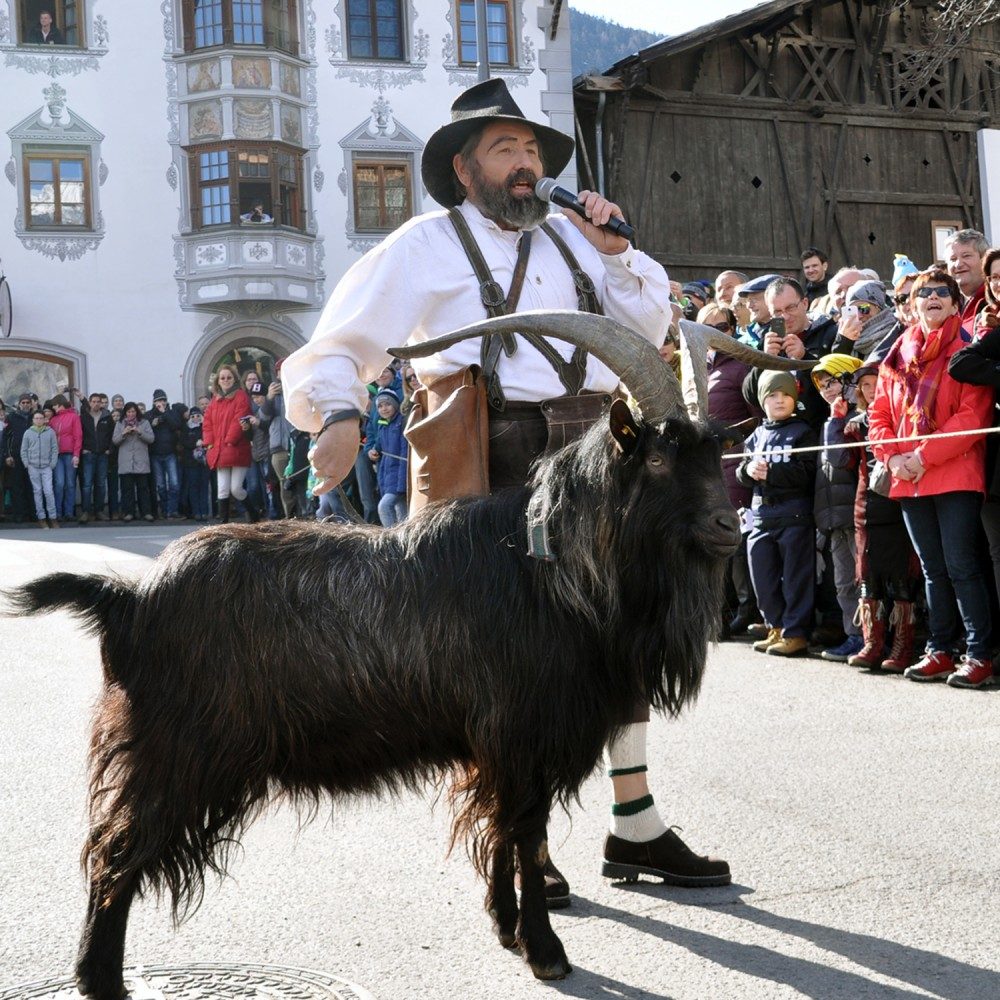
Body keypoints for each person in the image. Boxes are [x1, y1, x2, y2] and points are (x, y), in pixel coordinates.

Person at [280, 78, 729, 904]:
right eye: (504, 150)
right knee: (510, 662)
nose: (525, 165)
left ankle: (635, 825)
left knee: (619, 635)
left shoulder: (575, 239)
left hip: (598, 457)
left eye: (531, 150)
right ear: (464, 168)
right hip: (492, 456)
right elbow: (340, 342)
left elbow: (648, 329)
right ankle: (525, 838)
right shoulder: (424, 245)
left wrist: (617, 252)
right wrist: (337, 414)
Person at [869, 269, 994, 688]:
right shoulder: (896, 356)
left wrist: (921, 456)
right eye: (925, 293)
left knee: (962, 567)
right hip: (908, 477)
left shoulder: (967, 349)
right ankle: (939, 650)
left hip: (955, 474)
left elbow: (973, 416)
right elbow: (878, 415)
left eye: (943, 292)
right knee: (932, 570)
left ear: (957, 304)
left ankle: (978, 654)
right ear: (913, 304)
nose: (933, 297)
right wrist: (892, 459)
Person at [836, 363, 922, 671]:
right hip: (866, 508)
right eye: (866, 385)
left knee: (902, 579)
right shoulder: (854, 425)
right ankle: (872, 644)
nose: (872, 390)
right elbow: (841, 462)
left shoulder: (905, 417)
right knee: (867, 579)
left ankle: (902, 647)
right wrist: (836, 421)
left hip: (899, 505)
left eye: (877, 383)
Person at [681, 303, 760, 637]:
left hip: (734, 464)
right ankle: (718, 615)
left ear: (732, 330)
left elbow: (757, 419)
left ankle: (745, 609)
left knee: (734, 540)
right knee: (707, 541)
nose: (715, 334)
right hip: (704, 469)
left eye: (722, 327)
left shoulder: (742, 367)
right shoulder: (696, 368)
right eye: (707, 327)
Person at [737, 371, 818, 657]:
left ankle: (796, 633)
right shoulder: (756, 435)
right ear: (763, 400)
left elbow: (808, 472)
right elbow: (741, 471)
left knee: (796, 579)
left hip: (794, 515)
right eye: (772, 395)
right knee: (763, 577)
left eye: (785, 394)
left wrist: (771, 472)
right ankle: (776, 626)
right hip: (760, 517)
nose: (780, 400)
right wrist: (748, 471)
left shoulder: (803, 432)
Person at [810, 355, 864, 661]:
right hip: (834, 517)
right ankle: (853, 636)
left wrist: (836, 421)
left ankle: (872, 638)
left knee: (863, 581)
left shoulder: (855, 417)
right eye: (821, 386)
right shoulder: (830, 420)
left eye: (831, 381)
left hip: (858, 515)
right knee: (842, 582)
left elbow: (839, 460)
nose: (827, 390)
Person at [202, 362, 263, 523]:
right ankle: (223, 523)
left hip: (236, 448)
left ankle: (253, 514)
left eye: (229, 377)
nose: (226, 380)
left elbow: (239, 419)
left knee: (236, 489)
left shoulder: (241, 396)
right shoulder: (215, 400)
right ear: (218, 380)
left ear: (234, 379)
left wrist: (230, 441)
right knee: (222, 489)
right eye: (222, 378)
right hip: (219, 449)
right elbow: (207, 423)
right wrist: (209, 442)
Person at [368, 388, 408, 527]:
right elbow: (378, 446)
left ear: (395, 405)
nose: (384, 409)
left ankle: (390, 537)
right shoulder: (383, 425)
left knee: (384, 507)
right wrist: (373, 451)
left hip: (398, 477)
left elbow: (405, 454)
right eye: (380, 406)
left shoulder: (402, 423)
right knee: (402, 514)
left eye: (387, 404)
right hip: (387, 476)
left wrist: (402, 484)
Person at [829, 280, 897, 361]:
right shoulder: (845, 335)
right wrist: (843, 341)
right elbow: (838, 365)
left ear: (878, 307)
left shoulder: (895, 331)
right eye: (853, 310)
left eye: (863, 308)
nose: (859, 315)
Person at [112, 402, 155, 522]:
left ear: (137, 412)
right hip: (126, 462)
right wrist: (123, 433)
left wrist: (140, 432)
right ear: (125, 413)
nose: (131, 414)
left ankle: (146, 512)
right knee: (127, 489)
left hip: (141, 461)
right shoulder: (120, 424)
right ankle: (129, 513)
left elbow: (151, 439)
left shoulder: (144, 423)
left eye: (133, 411)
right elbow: (115, 441)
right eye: (129, 412)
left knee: (143, 489)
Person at [79, 391, 115, 522]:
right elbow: (79, 434)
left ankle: (99, 511)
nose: (96, 404)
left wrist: (109, 449)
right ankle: (85, 512)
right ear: (89, 403)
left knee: (100, 484)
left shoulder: (107, 417)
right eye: (93, 401)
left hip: (103, 455)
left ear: (101, 403)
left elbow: (112, 434)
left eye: (98, 402)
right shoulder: (84, 417)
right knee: (87, 484)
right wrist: (82, 449)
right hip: (88, 453)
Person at [147, 389, 184, 519]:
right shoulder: (149, 414)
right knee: (161, 485)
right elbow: (145, 430)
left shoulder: (171, 413)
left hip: (170, 453)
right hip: (155, 454)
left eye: (163, 400)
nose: (161, 403)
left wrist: (165, 413)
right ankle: (164, 510)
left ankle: (172, 510)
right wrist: (152, 424)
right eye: (158, 401)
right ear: (153, 402)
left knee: (174, 484)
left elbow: (176, 425)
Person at [20, 408, 60, 527]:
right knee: (37, 491)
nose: (38, 420)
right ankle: (41, 517)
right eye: (36, 418)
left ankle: (52, 517)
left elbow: (55, 449)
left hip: (46, 466)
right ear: (33, 420)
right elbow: (23, 450)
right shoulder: (28, 433)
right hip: (33, 466)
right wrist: (27, 463)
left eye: (41, 418)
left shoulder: (50, 432)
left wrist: (52, 463)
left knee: (48, 491)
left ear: (44, 420)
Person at [944, 229, 988, 334]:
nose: (958, 264)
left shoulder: (995, 301)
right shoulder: (945, 304)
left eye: (966, 256)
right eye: (953, 259)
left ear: (984, 260)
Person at [4, 393, 37, 522]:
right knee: (17, 486)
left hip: (32, 457)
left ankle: (33, 514)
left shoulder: (36, 417)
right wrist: (8, 455)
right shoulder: (11, 417)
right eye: (23, 402)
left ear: (31, 404)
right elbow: (6, 437)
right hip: (16, 456)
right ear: (19, 404)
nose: (25, 405)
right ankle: (19, 515)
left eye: (28, 402)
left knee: (31, 485)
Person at [48, 394, 82, 522]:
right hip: (57, 455)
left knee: (70, 483)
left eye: (55, 405)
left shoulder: (74, 416)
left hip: (69, 454)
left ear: (60, 404)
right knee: (59, 483)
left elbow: (78, 436)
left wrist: (76, 454)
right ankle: (57, 512)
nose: (53, 408)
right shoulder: (54, 419)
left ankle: (69, 512)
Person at [179, 406, 211, 522]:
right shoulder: (186, 428)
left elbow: (210, 438)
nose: (195, 418)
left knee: (204, 486)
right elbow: (184, 442)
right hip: (191, 462)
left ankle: (204, 511)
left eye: (198, 415)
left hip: (204, 462)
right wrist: (195, 443)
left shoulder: (205, 426)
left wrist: (204, 442)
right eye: (193, 416)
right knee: (193, 486)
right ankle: (196, 512)